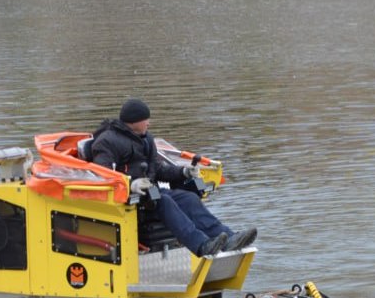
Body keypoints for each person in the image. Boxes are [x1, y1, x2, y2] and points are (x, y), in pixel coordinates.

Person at [88, 98, 257, 257]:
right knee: (164, 201)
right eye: (145, 119)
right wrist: (131, 184)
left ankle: (229, 238)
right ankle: (202, 245)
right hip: (129, 199)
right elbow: (103, 174)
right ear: (133, 121)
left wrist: (183, 172)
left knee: (189, 197)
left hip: (151, 193)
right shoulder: (106, 142)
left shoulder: (146, 139)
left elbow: (158, 169)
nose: (149, 122)